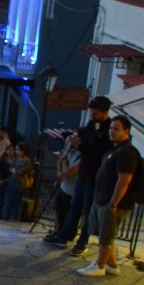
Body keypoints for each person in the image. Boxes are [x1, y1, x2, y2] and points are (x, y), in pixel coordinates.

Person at [43, 96, 113, 255]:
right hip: (84, 173)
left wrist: (80, 147)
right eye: (91, 113)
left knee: (87, 210)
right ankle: (64, 235)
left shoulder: (107, 130)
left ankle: (82, 242)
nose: (92, 116)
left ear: (104, 112)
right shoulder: (91, 125)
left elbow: (97, 152)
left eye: (95, 114)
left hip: (94, 175)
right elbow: (85, 140)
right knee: (75, 205)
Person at [77, 116, 139, 277]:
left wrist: (113, 203)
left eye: (116, 129)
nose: (112, 131)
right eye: (111, 128)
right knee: (106, 234)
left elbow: (124, 179)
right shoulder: (114, 149)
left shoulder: (127, 152)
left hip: (112, 202)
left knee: (106, 235)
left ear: (126, 132)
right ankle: (111, 264)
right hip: (102, 198)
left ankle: (99, 265)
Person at [50, 132, 82, 237]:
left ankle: (66, 235)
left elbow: (68, 173)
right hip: (63, 187)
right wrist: (61, 169)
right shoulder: (69, 148)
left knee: (67, 214)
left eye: (75, 137)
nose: (72, 139)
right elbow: (60, 159)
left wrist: (64, 163)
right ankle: (57, 231)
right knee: (58, 209)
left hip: (72, 191)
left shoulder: (81, 156)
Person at [4, 141, 32, 222]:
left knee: (16, 201)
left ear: (23, 151)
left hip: (19, 183)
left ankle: (14, 217)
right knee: (10, 199)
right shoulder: (17, 159)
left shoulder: (26, 161)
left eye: (17, 149)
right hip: (12, 180)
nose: (16, 151)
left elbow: (21, 171)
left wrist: (15, 170)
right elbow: (12, 168)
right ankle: (9, 216)